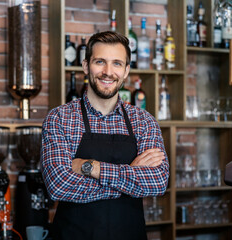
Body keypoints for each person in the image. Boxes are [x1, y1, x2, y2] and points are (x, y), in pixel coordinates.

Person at [41, 31, 169, 240]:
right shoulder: (59, 118)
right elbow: (59, 186)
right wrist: (130, 177)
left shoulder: (144, 121)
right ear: (85, 66)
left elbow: (157, 182)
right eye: (100, 62)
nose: (108, 72)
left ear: (126, 70)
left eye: (117, 63)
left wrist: (92, 167)